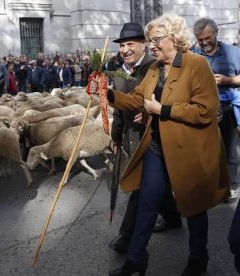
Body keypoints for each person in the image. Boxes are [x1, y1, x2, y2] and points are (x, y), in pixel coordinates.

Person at [96, 14, 230, 276]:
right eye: (150, 40)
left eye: (157, 39)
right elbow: (136, 99)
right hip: (157, 147)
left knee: (193, 207)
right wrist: (108, 94)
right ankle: (136, 260)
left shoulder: (196, 64)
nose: (152, 45)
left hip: (188, 149)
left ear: (175, 38)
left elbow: (207, 110)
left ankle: (198, 260)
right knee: (147, 202)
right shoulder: (155, 69)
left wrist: (163, 110)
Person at [108, 22, 182, 255]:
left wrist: (152, 111)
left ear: (143, 45)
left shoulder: (156, 66)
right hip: (131, 135)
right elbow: (120, 107)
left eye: (131, 44)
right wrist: (116, 135)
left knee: (141, 187)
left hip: (154, 135)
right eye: (122, 45)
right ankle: (172, 216)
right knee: (153, 185)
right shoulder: (119, 72)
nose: (125, 49)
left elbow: (170, 98)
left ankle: (126, 238)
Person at [192, 17, 240, 203]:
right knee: (203, 151)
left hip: (226, 109)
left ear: (216, 33)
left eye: (207, 38)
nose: (203, 43)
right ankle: (208, 185)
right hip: (201, 110)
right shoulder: (193, 55)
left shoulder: (234, 52)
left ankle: (230, 186)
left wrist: (227, 81)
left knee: (229, 149)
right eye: (200, 39)